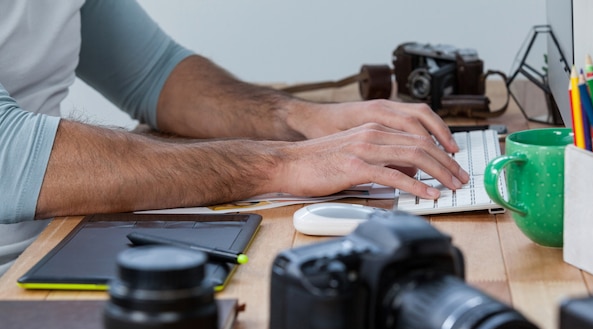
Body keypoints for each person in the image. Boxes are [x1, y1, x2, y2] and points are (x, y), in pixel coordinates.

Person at [0, 0, 469, 275]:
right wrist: (280, 163)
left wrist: (300, 117)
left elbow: (154, 75)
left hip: (53, 246)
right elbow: (10, 158)